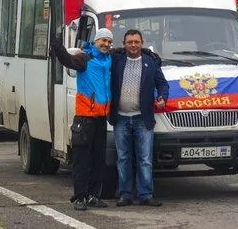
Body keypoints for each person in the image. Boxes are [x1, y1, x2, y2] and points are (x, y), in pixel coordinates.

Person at [50, 28, 113, 211]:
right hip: (84, 119)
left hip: (101, 118)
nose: (106, 44)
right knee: (81, 161)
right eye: (103, 41)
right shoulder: (85, 58)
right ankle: (79, 197)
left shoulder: (109, 59)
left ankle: (93, 195)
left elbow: (130, 51)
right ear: (96, 41)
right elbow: (67, 61)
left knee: (98, 160)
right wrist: (57, 45)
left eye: (109, 42)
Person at [109, 29, 169, 207]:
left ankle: (145, 195)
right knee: (123, 159)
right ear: (124, 43)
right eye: (130, 42)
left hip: (142, 118)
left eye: (136, 42)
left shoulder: (151, 62)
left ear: (142, 43)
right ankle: (125, 194)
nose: (133, 45)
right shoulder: (116, 61)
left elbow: (162, 84)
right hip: (120, 118)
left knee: (145, 159)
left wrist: (163, 98)